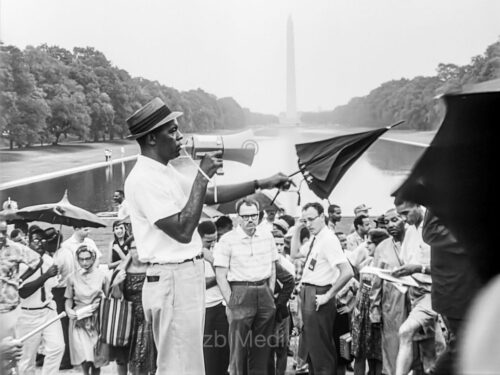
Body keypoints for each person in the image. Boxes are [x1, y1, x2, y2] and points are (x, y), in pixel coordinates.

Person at [123, 97, 290, 374]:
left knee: (189, 362)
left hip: (183, 277)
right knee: (178, 365)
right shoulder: (143, 179)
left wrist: (262, 182)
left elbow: (209, 196)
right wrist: (201, 175)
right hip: (172, 279)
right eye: (172, 131)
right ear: (152, 138)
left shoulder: (165, 171)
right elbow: (182, 230)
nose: (180, 137)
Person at [213, 198, 278, 375]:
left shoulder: (267, 235)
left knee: (262, 346)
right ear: (238, 217)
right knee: (238, 347)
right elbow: (220, 274)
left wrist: (270, 291)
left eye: (254, 216)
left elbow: (273, 267)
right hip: (240, 291)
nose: (250, 220)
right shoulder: (227, 240)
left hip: (264, 291)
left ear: (258, 215)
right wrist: (231, 302)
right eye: (246, 216)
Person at [422, 211, 482, 375]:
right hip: (459, 290)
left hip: (474, 287)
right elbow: (431, 231)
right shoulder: (446, 186)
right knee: (464, 347)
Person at [298, 202, 354, 374]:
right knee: (312, 350)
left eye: (311, 219)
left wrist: (328, 295)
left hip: (319, 294)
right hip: (308, 292)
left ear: (322, 217)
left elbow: (347, 272)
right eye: (305, 220)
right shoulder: (317, 238)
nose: (308, 224)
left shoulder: (328, 239)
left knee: (321, 350)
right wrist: (297, 230)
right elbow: (295, 253)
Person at [17, 228, 64, 375]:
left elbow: (52, 286)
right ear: (28, 242)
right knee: (26, 359)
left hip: (48, 310)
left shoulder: (50, 261)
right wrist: (45, 277)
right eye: (35, 240)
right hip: (27, 315)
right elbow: (23, 292)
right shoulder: (21, 264)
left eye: (42, 240)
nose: (39, 243)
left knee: (57, 347)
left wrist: (56, 276)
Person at [110, 237, 157, 375]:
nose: (138, 251)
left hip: (148, 317)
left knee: (146, 358)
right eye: (134, 248)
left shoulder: (152, 266)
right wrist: (116, 283)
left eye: (140, 246)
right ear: (129, 250)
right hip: (128, 318)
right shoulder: (123, 269)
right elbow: (116, 297)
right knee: (123, 358)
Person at [351, 229, 389, 375]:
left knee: (377, 353)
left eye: (369, 243)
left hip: (377, 312)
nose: (366, 246)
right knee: (360, 351)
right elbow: (362, 286)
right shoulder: (367, 261)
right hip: (362, 311)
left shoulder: (386, 264)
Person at [65, 245, 107, 375]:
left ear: (93, 258)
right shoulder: (72, 277)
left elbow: (108, 297)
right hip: (79, 320)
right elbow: (69, 298)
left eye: (88, 259)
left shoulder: (102, 276)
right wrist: (68, 309)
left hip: (96, 320)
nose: (85, 263)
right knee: (83, 355)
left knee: (95, 357)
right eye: (81, 259)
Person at [197, 221, 229, 375]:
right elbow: (196, 285)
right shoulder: (193, 256)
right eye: (208, 241)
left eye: (215, 239)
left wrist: (214, 261)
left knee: (224, 351)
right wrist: (218, 276)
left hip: (221, 306)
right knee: (208, 354)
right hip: (204, 309)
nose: (212, 244)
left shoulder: (220, 251)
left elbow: (230, 275)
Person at [0, 220, 41, 338]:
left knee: (11, 347)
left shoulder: (16, 248)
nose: (1, 236)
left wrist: (21, 278)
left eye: (3, 232)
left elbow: (37, 260)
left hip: (10, 307)